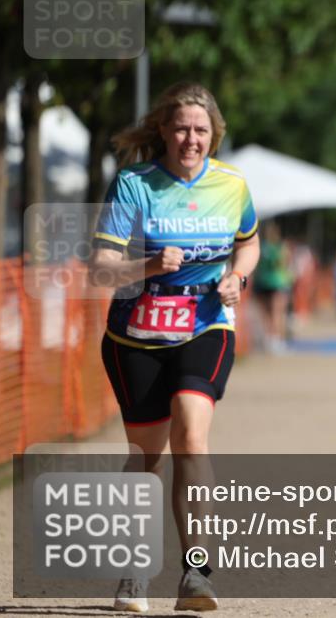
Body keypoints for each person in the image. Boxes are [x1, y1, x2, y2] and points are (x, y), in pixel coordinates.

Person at [90, 81, 259, 613]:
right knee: (146, 457)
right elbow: (99, 268)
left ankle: (196, 572)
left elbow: (249, 242)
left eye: (202, 130)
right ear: (163, 129)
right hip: (135, 332)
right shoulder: (135, 183)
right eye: (182, 127)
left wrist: (239, 277)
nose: (191, 138)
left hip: (206, 323)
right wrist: (146, 265)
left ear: (216, 135)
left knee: (191, 432)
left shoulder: (232, 184)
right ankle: (134, 570)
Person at [253, 220, 293, 353]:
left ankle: (269, 339)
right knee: (277, 313)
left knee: (267, 313)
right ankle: (276, 340)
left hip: (263, 281)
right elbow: (283, 264)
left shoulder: (261, 246)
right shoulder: (280, 247)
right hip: (277, 282)